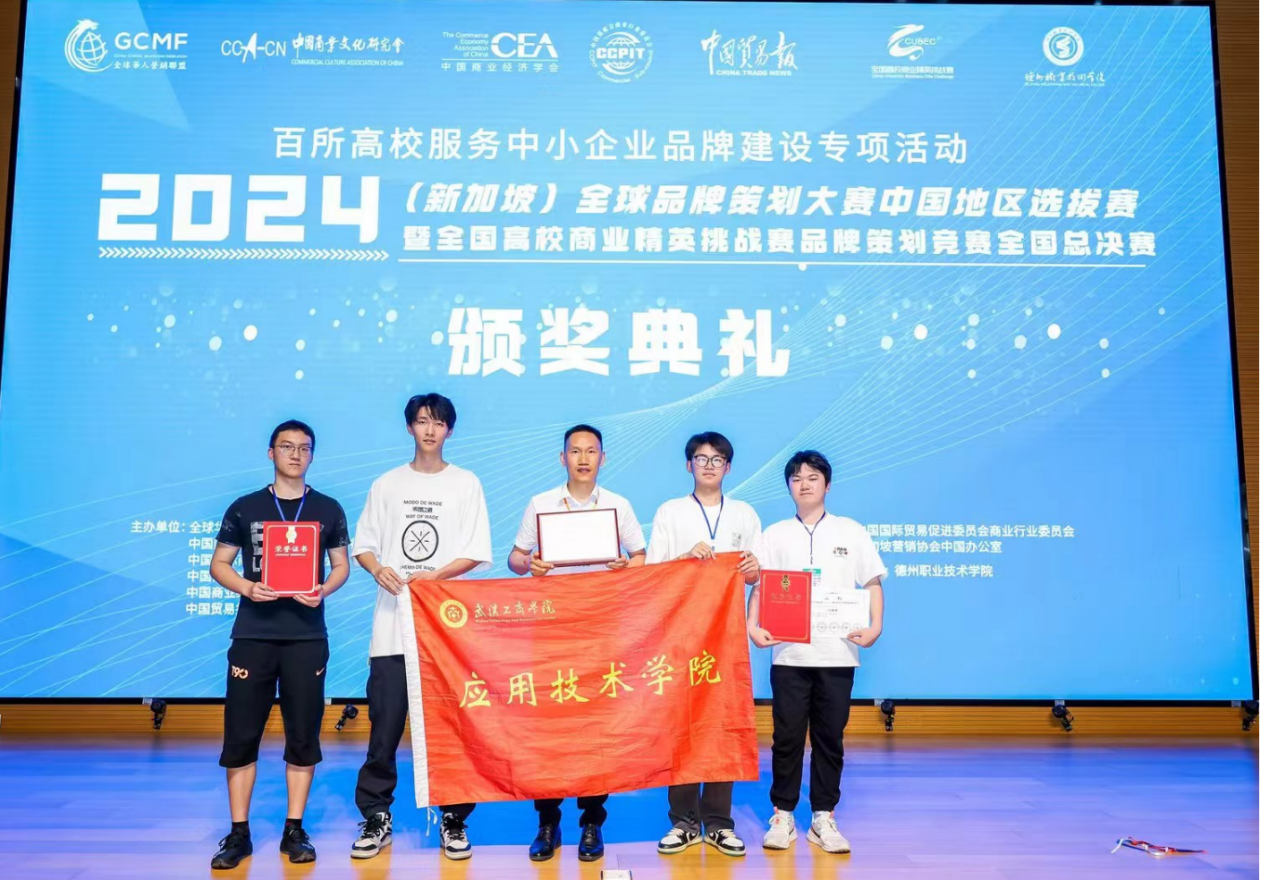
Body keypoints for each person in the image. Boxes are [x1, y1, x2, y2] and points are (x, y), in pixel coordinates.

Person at [349, 393, 493, 862]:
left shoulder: (465, 483)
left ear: (450, 430)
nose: (430, 430)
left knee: (452, 727)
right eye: (422, 421)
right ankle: (376, 816)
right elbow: (364, 545)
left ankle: (454, 818)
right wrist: (378, 570)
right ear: (409, 427)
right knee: (384, 729)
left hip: (446, 631)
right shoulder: (387, 484)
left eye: (439, 423)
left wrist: (436, 577)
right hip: (393, 626)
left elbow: (476, 550)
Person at [209, 419, 351, 870]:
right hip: (253, 635)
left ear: (312, 455)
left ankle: (294, 829)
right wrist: (247, 588)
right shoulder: (245, 507)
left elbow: (341, 566)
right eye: (286, 447)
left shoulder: (328, 508)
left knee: (303, 734)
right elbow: (219, 564)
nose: (295, 454)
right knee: (241, 735)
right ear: (271, 453)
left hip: (307, 637)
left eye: (304, 448)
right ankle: (239, 833)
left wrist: (323, 590)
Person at [507, 423, 646, 862]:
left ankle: (591, 822)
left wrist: (625, 566)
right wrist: (530, 564)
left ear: (603, 458)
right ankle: (547, 822)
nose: (583, 458)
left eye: (591, 451)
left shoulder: (618, 505)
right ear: (562, 457)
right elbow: (515, 558)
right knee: (549, 728)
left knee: (596, 728)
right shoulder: (542, 503)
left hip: (601, 629)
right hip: (550, 630)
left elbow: (641, 557)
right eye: (575, 451)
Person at [750, 450, 886, 855]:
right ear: (788, 487)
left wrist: (876, 626)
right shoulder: (774, 534)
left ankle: (823, 816)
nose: (804, 484)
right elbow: (760, 586)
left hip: (838, 654)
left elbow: (873, 582)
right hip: (789, 654)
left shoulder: (851, 531)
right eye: (796, 478)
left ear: (828, 484)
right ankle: (783, 815)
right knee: (786, 737)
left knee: (830, 738)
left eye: (812, 477)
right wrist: (752, 625)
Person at [646, 431, 762, 858]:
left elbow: (756, 576)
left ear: (728, 467)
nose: (709, 465)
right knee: (681, 725)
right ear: (688, 465)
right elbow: (653, 572)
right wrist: (683, 561)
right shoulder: (670, 512)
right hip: (679, 636)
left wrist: (753, 569)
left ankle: (718, 823)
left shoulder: (745, 514)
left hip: (725, 640)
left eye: (717, 459)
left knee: (721, 723)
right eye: (701, 458)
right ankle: (683, 821)